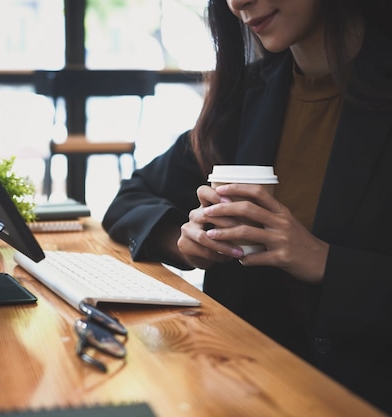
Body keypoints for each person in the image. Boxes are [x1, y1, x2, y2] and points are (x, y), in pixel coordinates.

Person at [102, 0, 392, 413]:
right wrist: (182, 239)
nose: (237, 3)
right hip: (237, 386)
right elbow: (132, 195)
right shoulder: (248, 92)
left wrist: (324, 261)